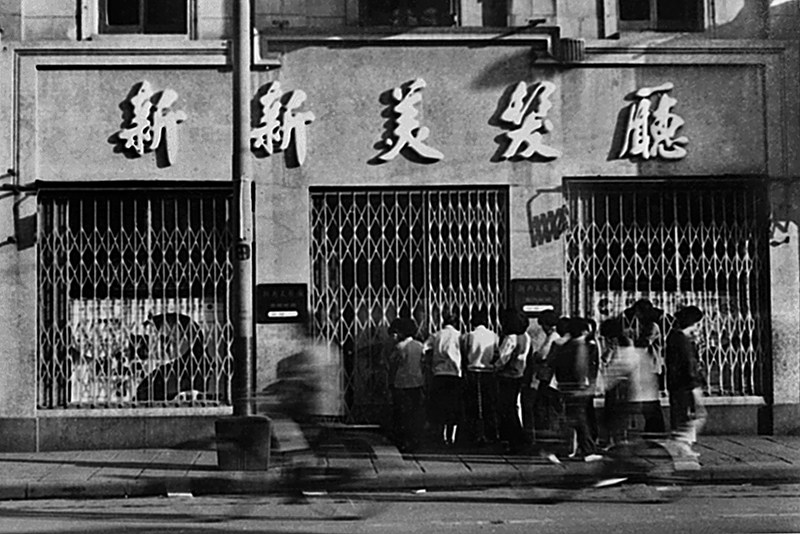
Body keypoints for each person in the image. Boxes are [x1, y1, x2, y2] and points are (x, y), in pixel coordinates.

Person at [549, 317, 601, 461]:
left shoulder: (564, 344)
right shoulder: (580, 345)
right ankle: (584, 450)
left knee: (575, 417)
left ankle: (571, 448)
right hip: (577, 386)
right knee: (579, 418)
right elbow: (580, 366)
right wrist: (583, 383)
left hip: (565, 385)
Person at [665, 305, 707, 457]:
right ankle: (681, 444)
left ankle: (682, 446)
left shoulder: (674, 337)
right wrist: (695, 384)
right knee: (695, 415)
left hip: (676, 384)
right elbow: (689, 364)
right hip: (686, 385)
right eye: (697, 324)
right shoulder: (682, 340)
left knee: (683, 415)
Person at [424, 309, 464, 447]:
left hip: (439, 374)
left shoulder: (436, 335)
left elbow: (424, 348)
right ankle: (451, 436)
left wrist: (429, 362)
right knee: (453, 407)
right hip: (454, 374)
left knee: (440, 406)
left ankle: (440, 435)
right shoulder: (459, 336)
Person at [493, 309, 531, 453]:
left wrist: (494, 367)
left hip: (507, 375)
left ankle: (514, 438)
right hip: (519, 373)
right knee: (512, 406)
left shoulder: (511, 338)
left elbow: (503, 357)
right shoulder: (525, 337)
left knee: (506, 408)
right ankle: (518, 438)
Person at [387, 318, 425, 452]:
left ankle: (403, 440)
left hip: (401, 384)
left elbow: (393, 365)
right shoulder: (420, 346)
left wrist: (390, 383)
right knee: (414, 412)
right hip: (417, 383)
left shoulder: (400, 347)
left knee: (401, 414)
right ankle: (415, 439)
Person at [462, 310, 499, 445]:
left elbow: (464, 352)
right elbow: (496, 353)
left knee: (473, 404)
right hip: (488, 371)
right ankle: (489, 433)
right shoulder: (493, 336)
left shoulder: (469, 336)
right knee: (488, 403)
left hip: (472, 371)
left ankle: (474, 433)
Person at [522, 310, 559, 446]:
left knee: (542, 406)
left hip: (548, 377)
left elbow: (542, 354)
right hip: (547, 376)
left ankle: (546, 435)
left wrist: (536, 356)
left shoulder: (553, 337)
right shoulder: (553, 336)